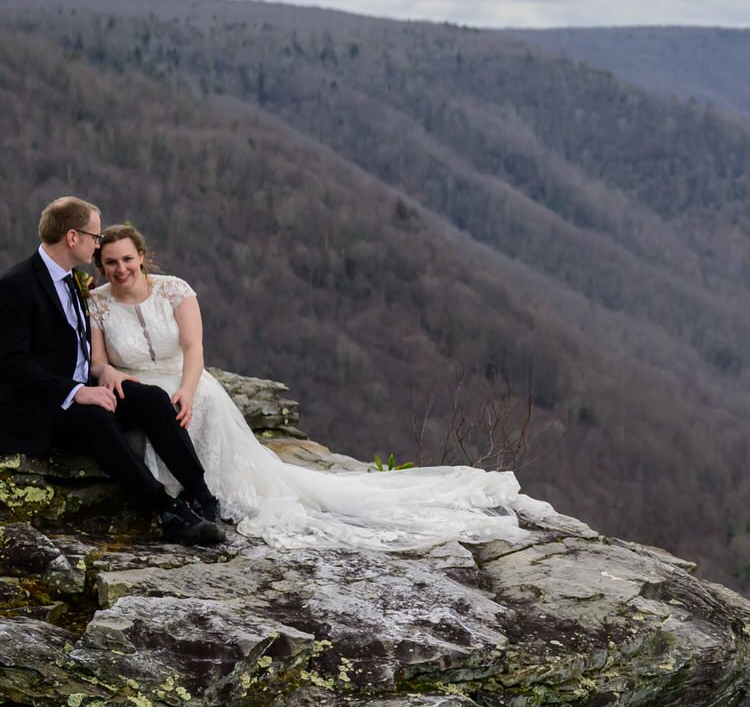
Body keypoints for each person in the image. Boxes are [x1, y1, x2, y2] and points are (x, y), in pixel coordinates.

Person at [86, 224, 550, 550]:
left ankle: (207, 496)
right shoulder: (98, 305)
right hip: (141, 387)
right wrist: (111, 375)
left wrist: (187, 389)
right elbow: (99, 362)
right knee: (152, 412)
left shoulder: (174, 290)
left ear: (142, 256)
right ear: (102, 266)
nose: (121, 268)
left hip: (187, 380)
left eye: (127, 258)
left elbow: (194, 348)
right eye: (111, 262)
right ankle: (189, 499)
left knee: (202, 400)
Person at [0, 196, 224, 545]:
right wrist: (76, 390)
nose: (97, 245)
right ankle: (167, 510)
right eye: (94, 237)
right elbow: (12, 365)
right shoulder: (15, 286)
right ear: (73, 237)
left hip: (84, 385)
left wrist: (103, 372)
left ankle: (202, 495)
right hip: (38, 402)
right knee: (96, 417)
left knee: (152, 399)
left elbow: (81, 348)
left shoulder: (72, 280)